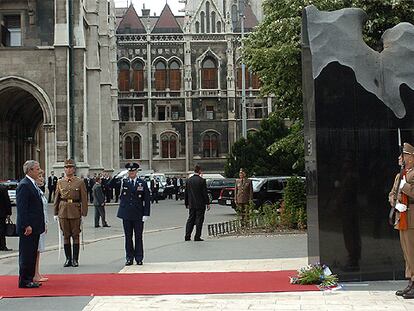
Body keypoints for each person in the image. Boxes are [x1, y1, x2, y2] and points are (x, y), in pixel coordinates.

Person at [389, 143, 414, 299]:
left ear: (411, 158)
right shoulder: (400, 174)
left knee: (412, 251)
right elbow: (392, 193)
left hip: (412, 218)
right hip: (402, 217)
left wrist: (405, 187)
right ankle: (411, 281)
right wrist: (395, 202)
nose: (400, 158)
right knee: (406, 252)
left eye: (403, 155)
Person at [16, 160, 45, 288]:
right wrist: (26, 225)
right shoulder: (24, 185)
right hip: (28, 227)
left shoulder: (32, 184)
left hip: (35, 226)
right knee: (27, 254)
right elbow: (22, 208)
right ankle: (24, 280)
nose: (39, 171)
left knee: (32, 253)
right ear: (30, 171)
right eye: (37, 169)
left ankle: (30, 278)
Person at [54, 159, 88, 267]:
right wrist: (55, 212)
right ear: (64, 169)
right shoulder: (60, 182)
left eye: (70, 167)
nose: (68, 169)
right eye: (67, 167)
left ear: (74, 169)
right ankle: (68, 258)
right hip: (63, 210)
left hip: (75, 210)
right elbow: (57, 198)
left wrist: (84, 212)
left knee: (75, 235)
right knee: (66, 235)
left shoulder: (79, 182)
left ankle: (75, 259)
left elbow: (84, 198)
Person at [117, 162, 150, 266]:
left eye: (133, 171)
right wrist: (117, 177)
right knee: (128, 237)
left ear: (136, 171)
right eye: (130, 171)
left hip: (138, 213)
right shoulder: (123, 182)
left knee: (138, 237)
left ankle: (139, 258)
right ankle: (129, 258)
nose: (131, 173)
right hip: (126, 213)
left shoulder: (142, 183)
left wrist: (146, 213)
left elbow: (147, 199)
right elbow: (109, 185)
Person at [184, 165, 210, 241]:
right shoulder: (202, 181)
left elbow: (186, 193)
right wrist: (207, 203)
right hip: (200, 204)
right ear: (199, 171)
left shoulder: (188, 180)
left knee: (190, 219)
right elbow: (204, 193)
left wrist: (186, 203)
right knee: (199, 220)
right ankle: (197, 236)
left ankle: (187, 236)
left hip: (191, 203)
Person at [34, 170, 48, 282]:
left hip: (42, 223)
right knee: (36, 250)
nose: (42, 178)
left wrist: (46, 223)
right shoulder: (34, 190)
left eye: (42, 176)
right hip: (36, 224)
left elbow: (44, 210)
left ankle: (37, 272)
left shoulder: (39, 190)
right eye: (39, 176)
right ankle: (35, 273)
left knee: (38, 250)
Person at [0, 182, 12, 251]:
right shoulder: (3, 188)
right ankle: (2, 245)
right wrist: (9, 212)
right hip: (1, 213)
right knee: (2, 229)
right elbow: (7, 201)